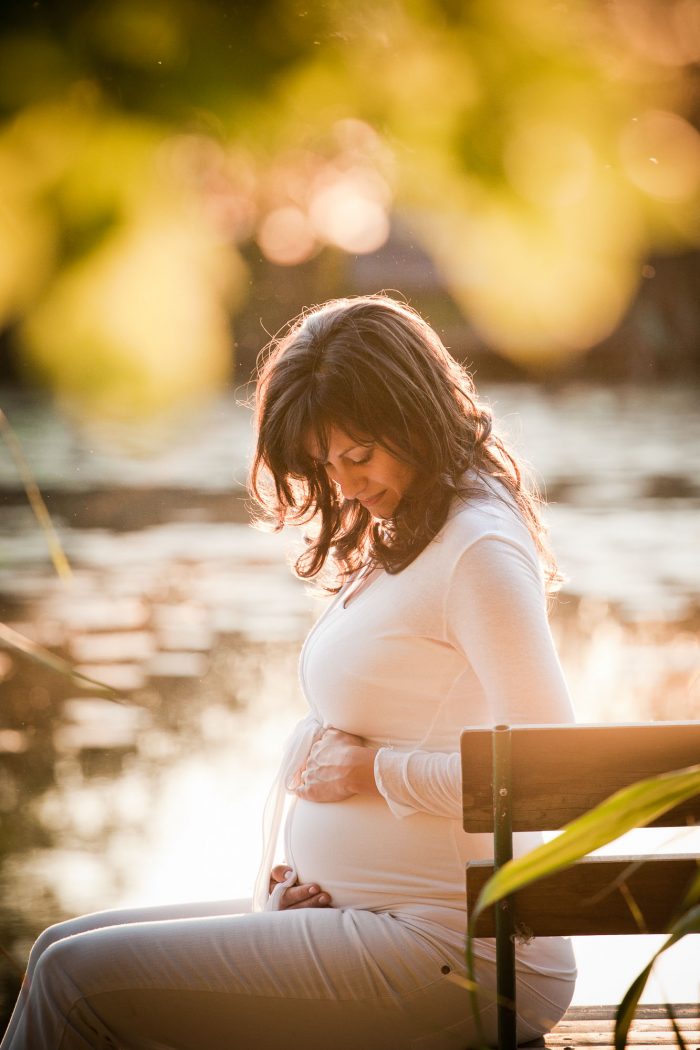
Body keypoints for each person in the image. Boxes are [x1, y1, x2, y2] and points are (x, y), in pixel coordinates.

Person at [1, 294, 576, 1049]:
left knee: (76, 980)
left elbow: (551, 772)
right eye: (324, 462)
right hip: (367, 922)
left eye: (358, 455)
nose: (343, 484)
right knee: (53, 953)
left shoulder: (477, 547)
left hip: (462, 950)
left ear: (415, 416)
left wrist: (374, 772)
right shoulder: (414, 527)